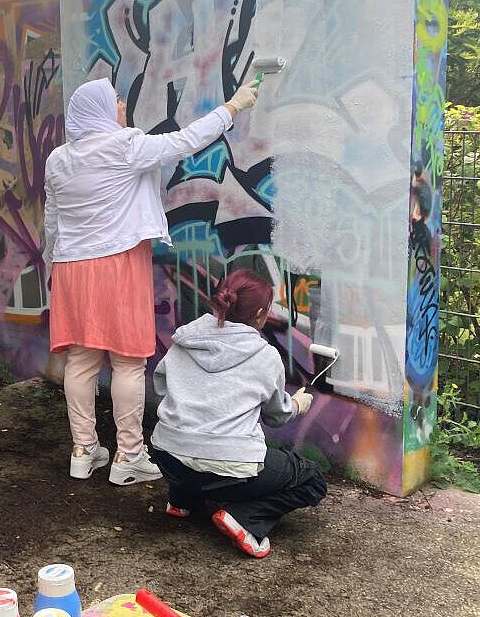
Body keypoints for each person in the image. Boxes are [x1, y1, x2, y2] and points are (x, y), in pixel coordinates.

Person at [44, 77, 259, 485]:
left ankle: (83, 451)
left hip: (70, 267)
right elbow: (186, 140)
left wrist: (53, 260)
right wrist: (232, 107)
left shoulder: (59, 159)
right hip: (117, 263)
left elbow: (51, 220)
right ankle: (128, 456)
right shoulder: (125, 146)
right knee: (128, 361)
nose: (122, 104)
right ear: (101, 109)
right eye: (116, 99)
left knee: (81, 361)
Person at [149, 269, 327, 558]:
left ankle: (183, 501)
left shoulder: (186, 338)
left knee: (192, 445)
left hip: (168, 457)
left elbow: (161, 385)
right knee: (311, 479)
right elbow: (276, 416)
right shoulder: (265, 355)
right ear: (260, 313)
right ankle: (247, 518)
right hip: (227, 467)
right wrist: (297, 404)